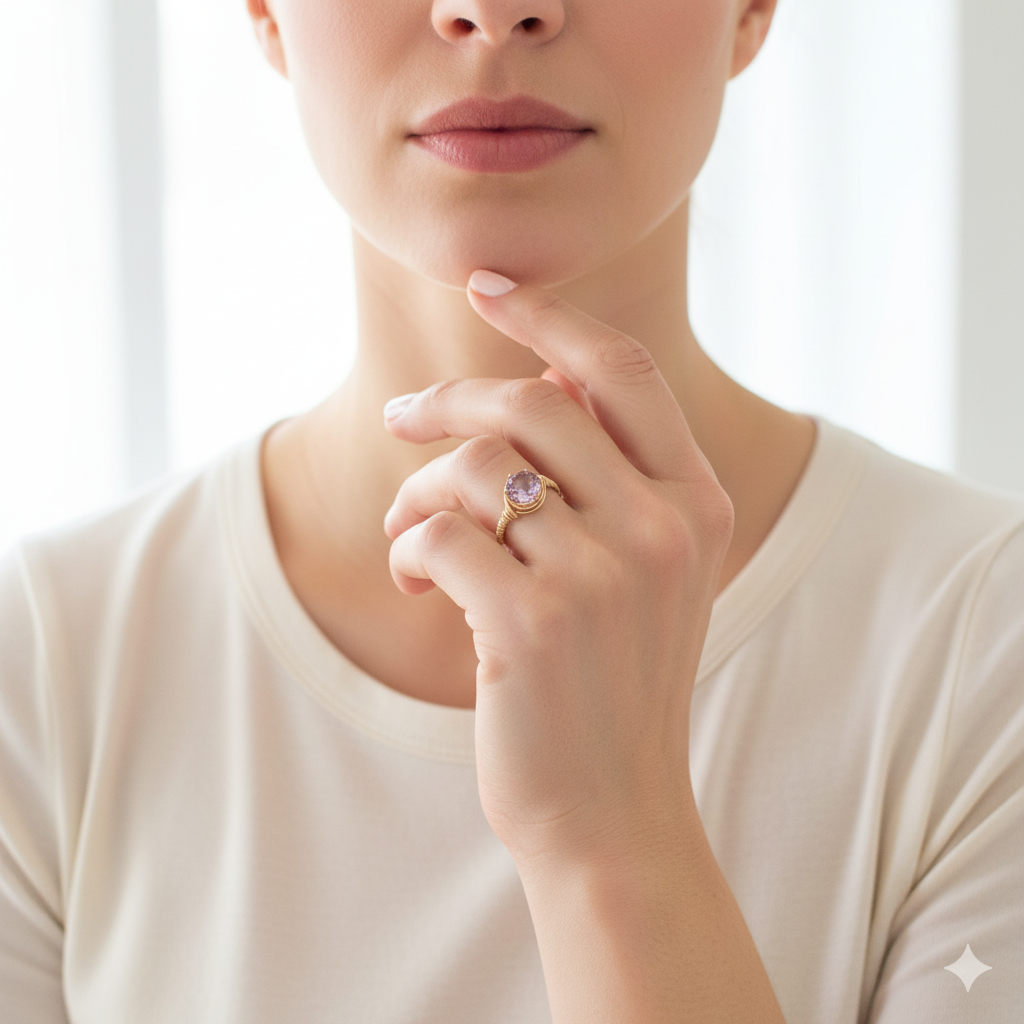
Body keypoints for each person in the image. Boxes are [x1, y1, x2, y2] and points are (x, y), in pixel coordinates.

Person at [0, 0, 1020, 1020]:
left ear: (750, 11)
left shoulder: (987, 653)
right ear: (265, 12)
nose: (492, 11)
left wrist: (616, 837)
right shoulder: (41, 666)